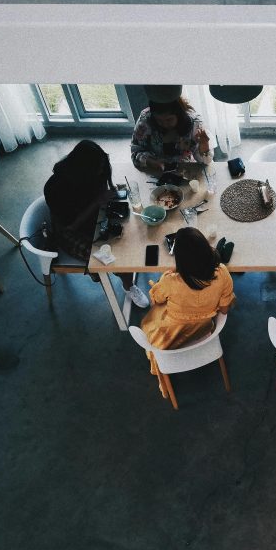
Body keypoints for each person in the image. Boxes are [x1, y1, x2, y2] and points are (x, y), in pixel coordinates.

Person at [43, 140, 149, 308]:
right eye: (97, 170)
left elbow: (100, 190)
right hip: (70, 230)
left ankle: (119, 272)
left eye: (102, 167)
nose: (101, 171)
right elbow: (70, 226)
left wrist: (111, 193)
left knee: (133, 233)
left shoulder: (96, 169)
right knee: (115, 258)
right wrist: (97, 203)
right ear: (81, 171)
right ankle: (128, 286)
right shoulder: (56, 188)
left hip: (94, 215)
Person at [139, 226, 236, 398]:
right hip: (205, 328)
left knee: (149, 320)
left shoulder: (171, 281)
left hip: (170, 333)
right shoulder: (222, 274)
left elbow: (156, 299)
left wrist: (165, 277)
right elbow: (225, 308)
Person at [130, 96, 213, 173]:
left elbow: (204, 163)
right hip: (155, 170)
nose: (164, 124)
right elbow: (135, 150)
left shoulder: (195, 124)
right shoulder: (145, 121)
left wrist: (204, 146)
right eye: (159, 120)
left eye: (169, 120)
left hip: (185, 170)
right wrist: (150, 161)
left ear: (179, 115)